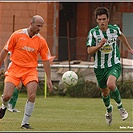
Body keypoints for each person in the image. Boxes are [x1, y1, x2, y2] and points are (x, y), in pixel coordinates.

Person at [0, 15, 53, 129]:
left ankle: (25, 123)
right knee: (7, 96)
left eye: (41, 26)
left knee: (32, 95)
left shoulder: (41, 41)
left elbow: (45, 60)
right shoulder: (17, 35)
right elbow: (5, 51)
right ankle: (3, 106)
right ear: (31, 23)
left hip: (30, 70)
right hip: (14, 68)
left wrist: (49, 78)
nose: (39, 28)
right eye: (38, 25)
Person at [86, 7, 133, 126]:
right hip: (100, 67)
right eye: (99, 19)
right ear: (96, 20)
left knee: (111, 84)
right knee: (105, 92)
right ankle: (108, 110)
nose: (102, 21)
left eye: (104, 19)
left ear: (108, 19)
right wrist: (99, 45)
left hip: (114, 64)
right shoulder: (93, 33)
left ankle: (121, 108)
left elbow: (121, 36)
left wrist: (129, 48)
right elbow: (89, 51)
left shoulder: (114, 29)